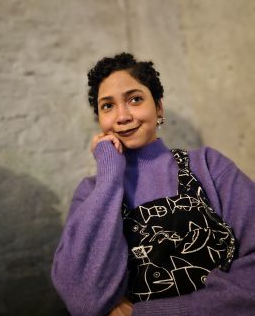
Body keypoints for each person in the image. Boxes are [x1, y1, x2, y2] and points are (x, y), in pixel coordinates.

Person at [51, 53, 255, 316]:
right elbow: (82, 299)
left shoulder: (208, 166)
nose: (122, 116)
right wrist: (110, 174)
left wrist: (150, 313)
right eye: (107, 106)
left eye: (135, 99)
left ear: (158, 108)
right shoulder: (92, 192)